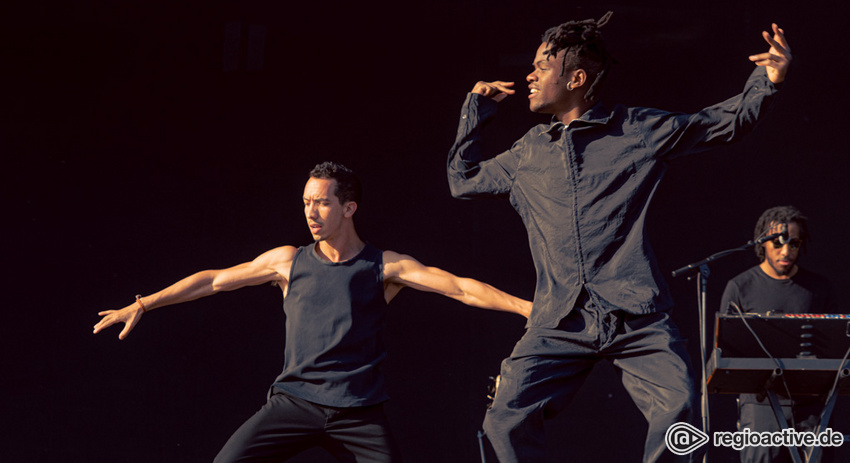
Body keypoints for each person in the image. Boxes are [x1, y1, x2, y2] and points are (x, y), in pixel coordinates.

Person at [447, 12, 792, 462]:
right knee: (505, 416)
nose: (529, 75)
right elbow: (462, 179)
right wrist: (477, 107)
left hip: (635, 314)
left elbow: (720, 123)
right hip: (560, 319)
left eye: (541, 67)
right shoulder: (528, 152)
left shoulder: (635, 130)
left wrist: (767, 79)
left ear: (576, 77)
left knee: (680, 408)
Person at [94, 161, 532, 463]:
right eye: (306, 202)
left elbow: (461, 288)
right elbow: (213, 279)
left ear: (348, 207)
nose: (311, 212)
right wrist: (144, 303)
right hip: (294, 403)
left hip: (358, 412)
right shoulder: (288, 261)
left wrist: (529, 309)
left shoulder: (384, 266)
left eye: (321, 202)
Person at [719, 205, 835, 463]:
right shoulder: (740, 287)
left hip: (810, 405)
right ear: (762, 242)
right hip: (761, 405)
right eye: (778, 242)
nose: (786, 251)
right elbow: (726, 352)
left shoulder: (818, 288)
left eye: (794, 244)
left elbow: (833, 346)